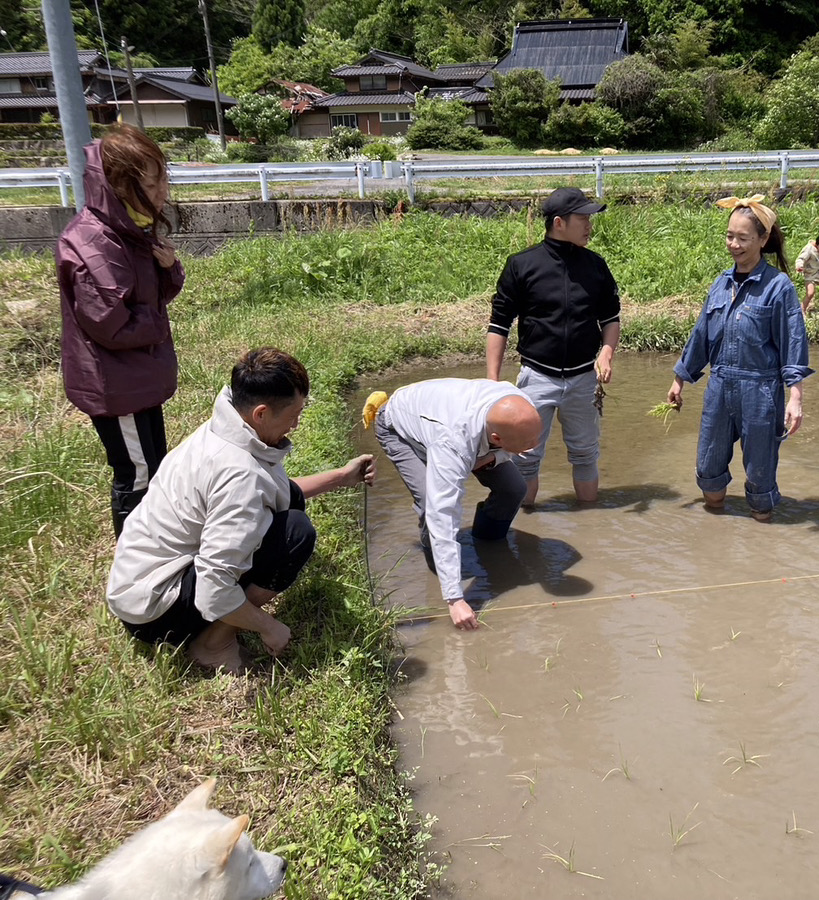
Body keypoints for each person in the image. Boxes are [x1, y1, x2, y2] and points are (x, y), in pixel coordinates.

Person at [106, 348, 376, 672]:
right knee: (294, 534)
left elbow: (274, 490)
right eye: (294, 415)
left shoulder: (229, 425)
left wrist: (341, 478)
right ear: (261, 413)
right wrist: (268, 626)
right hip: (155, 611)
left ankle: (217, 631)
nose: (297, 424)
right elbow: (213, 589)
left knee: (288, 503)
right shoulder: (240, 476)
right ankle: (213, 645)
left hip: (138, 584)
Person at [56, 124, 184, 537]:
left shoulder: (130, 230)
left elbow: (153, 297)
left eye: (163, 175)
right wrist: (157, 324)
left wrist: (169, 268)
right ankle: (135, 576)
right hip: (116, 383)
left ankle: (156, 552)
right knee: (137, 475)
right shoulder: (93, 244)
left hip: (137, 377)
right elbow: (113, 326)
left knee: (154, 466)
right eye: (152, 181)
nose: (163, 189)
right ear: (117, 185)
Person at [667, 195, 814, 523]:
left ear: (763, 240)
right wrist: (680, 379)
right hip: (719, 387)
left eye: (743, 238)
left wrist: (795, 397)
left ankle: (761, 540)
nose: (734, 244)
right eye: (730, 236)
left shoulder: (779, 287)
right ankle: (715, 535)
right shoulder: (720, 284)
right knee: (708, 471)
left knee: (760, 482)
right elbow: (701, 335)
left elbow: (793, 343)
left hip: (760, 391)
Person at [362, 379, 543, 630]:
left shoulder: (522, 408)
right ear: (496, 437)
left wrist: (492, 457)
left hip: (465, 433)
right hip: (400, 429)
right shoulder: (453, 442)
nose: (535, 446)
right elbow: (442, 513)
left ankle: (489, 542)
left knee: (514, 489)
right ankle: (439, 573)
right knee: (429, 505)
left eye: (537, 437)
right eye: (528, 443)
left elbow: (519, 447)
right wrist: (455, 598)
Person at [486, 187, 621, 507]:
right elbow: (498, 324)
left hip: (583, 380)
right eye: (582, 218)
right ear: (559, 222)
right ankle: (524, 527)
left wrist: (606, 351)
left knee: (586, 455)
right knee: (525, 457)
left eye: (590, 218)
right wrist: (491, 382)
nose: (589, 225)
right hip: (537, 377)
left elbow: (611, 318)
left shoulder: (595, 265)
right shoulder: (522, 265)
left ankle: (590, 524)